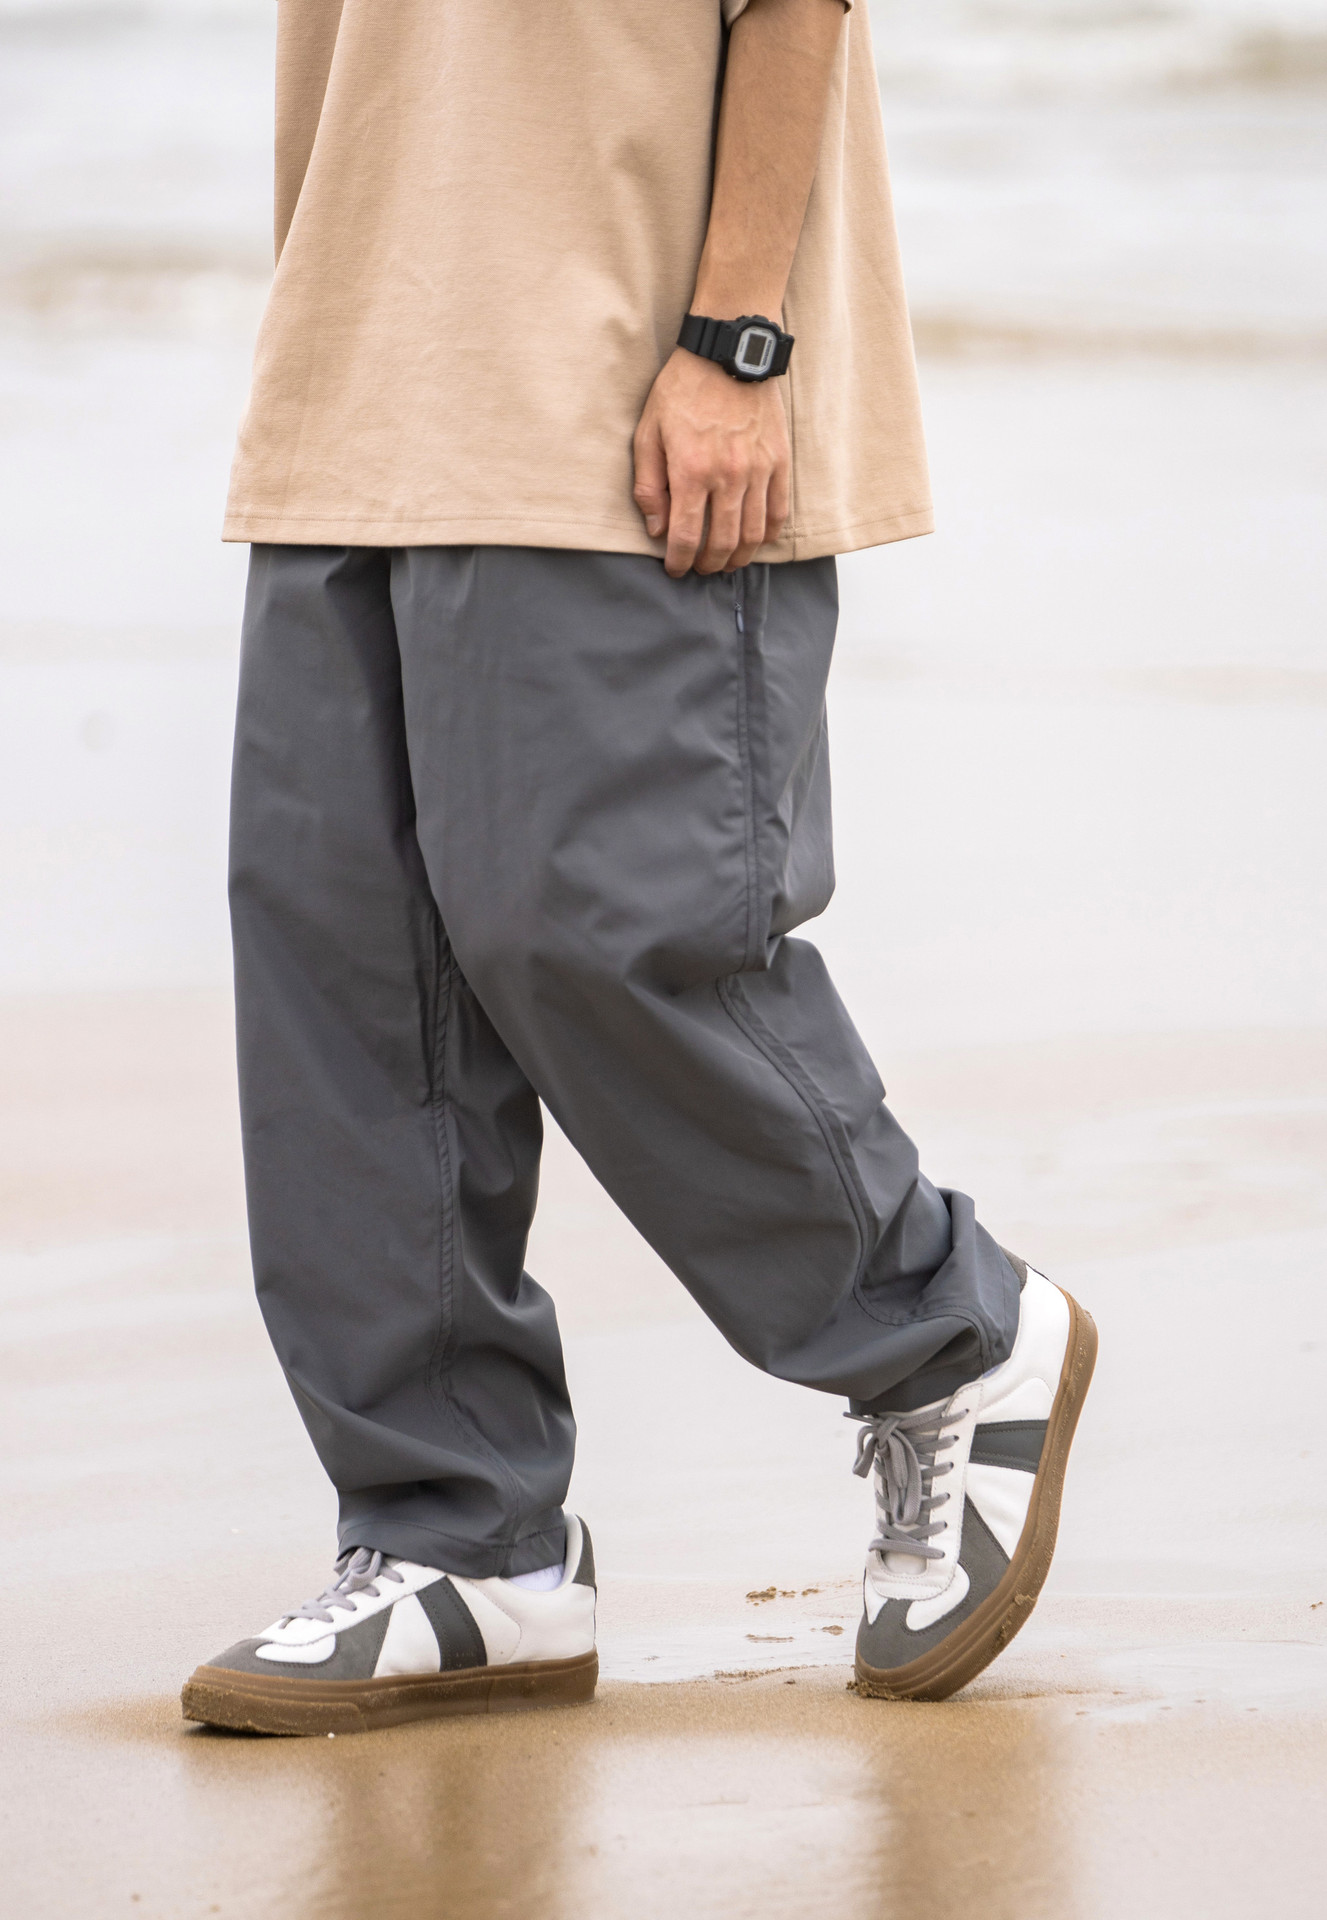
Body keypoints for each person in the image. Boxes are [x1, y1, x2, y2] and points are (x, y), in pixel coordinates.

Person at [181, 0, 1096, 1736]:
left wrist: (738, 341)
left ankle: (947, 1337)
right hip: (355, 376)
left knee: (600, 927)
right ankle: (460, 1542)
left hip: (633, 374)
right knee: (342, 977)